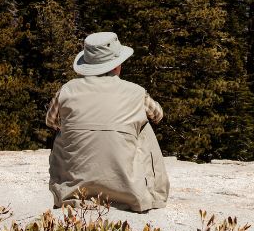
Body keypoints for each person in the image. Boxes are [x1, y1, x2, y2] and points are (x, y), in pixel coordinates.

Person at [46, 31, 169, 212]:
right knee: (143, 126)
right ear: (117, 64)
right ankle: (145, 193)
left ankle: (72, 188)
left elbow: (51, 121)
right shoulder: (136, 92)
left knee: (64, 128)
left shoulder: (67, 90)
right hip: (129, 190)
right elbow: (158, 115)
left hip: (72, 190)